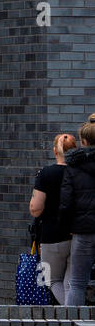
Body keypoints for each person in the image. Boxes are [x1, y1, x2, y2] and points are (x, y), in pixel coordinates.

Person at [30, 133, 77, 303]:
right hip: (78, 234)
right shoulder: (80, 172)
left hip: (51, 236)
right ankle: (75, 315)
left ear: (54, 151)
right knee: (72, 283)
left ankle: (71, 316)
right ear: (74, 149)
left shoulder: (45, 174)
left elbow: (35, 209)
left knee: (52, 280)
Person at [60, 121, 95, 306]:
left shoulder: (73, 167)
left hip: (83, 231)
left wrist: (67, 228)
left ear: (84, 141)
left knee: (77, 283)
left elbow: (66, 203)